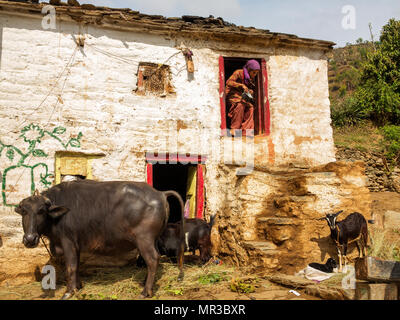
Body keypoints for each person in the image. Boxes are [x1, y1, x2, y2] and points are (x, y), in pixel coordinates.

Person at [225, 59, 260, 137]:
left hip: (241, 96)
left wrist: (250, 91)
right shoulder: (238, 72)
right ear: (249, 70)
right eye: (254, 72)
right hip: (232, 96)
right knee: (240, 105)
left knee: (250, 108)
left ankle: (246, 131)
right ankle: (235, 129)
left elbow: (249, 89)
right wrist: (240, 85)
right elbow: (228, 82)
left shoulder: (251, 79)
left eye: (256, 73)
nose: (254, 75)